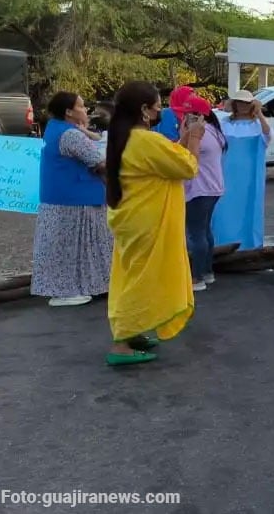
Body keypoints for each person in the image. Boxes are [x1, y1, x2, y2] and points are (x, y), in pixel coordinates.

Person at [105, 81, 202, 366]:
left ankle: (130, 332)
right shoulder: (146, 140)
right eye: (157, 104)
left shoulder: (127, 137)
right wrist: (195, 139)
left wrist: (182, 140)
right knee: (141, 278)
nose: (161, 108)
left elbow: (164, 161)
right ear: (144, 110)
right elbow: (187, 167)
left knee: (132, 274)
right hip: (147, 222)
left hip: (132, 218)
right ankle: (121, 343)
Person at [31, 92, 113, 307]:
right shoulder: (70, 135)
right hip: (76, 199)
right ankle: (69, 290)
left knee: (71, 248)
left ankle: (85, 286)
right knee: (80, 248)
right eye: (82, 106)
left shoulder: (55, 129)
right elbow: (99, 161)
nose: (85, 110)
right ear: (69, 111)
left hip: (63, 197)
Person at [212, 89, 271, 250]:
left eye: (246, 103)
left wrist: (260, 114)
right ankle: (223, 243)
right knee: (225, 208)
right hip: (227, 172)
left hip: (250, 175)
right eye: (240, 102)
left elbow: (268, 135)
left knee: (249, 207)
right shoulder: (224, 124)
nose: (243, 106)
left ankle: (249, 245)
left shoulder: (257, 124)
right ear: (235, 105)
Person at [182, 95, 226, 292]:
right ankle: (207, 272)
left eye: (187, 113)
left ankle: (196, 277)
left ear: (198, 116)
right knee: (205, 230)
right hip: (213, 187)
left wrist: (189, 135)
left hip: (199, 188)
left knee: (196, 233)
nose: (183, 117)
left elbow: (188, 159)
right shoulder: (214, 130)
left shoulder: (200, 134)